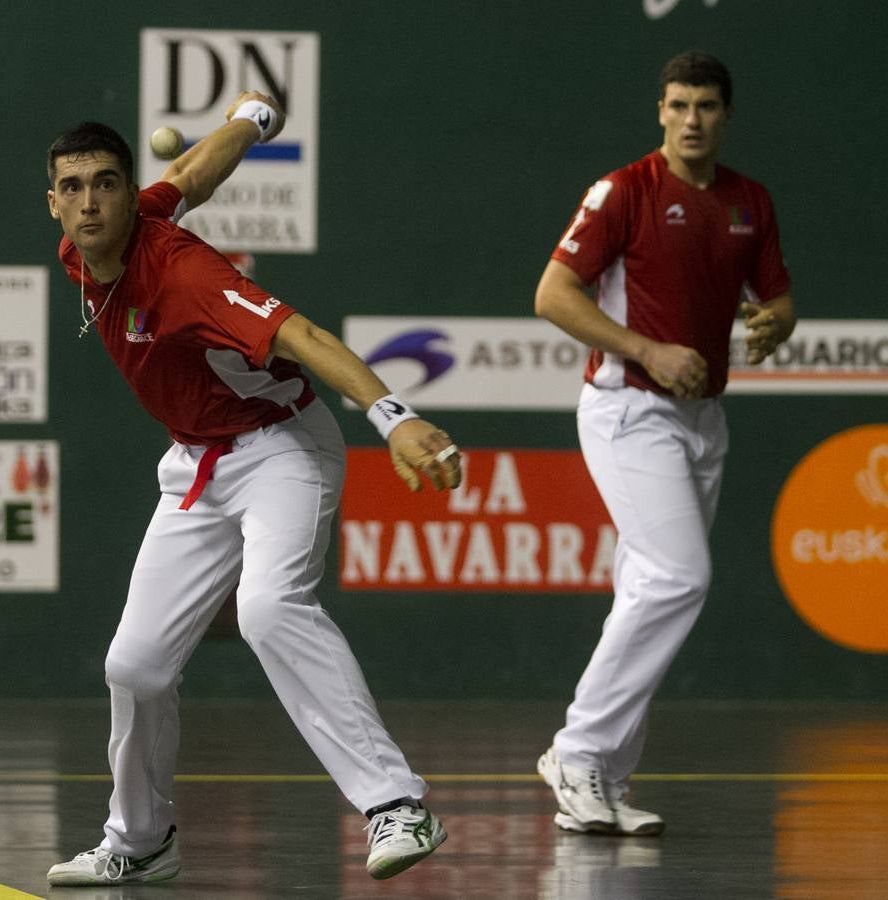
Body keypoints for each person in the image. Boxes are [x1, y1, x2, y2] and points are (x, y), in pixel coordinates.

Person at [44, 91, 460, 885]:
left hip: (281, 450)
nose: (90, 200)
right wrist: (252, 120)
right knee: (134, 666)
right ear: (54, 201)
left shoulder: (184, 273)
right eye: (73, 186)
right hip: (196, 464)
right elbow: (192, 174)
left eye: (105, 183)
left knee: (270, 607)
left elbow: (301, 336)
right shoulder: (86, 245)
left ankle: (395, 803)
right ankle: (140, 841)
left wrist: (394, 416)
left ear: (128, 195)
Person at [533, 52, 796, 835]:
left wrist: (773, 324)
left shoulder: (749, 202)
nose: (691, 119)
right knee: (678, 577)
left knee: (647, 587)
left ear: (724, 114)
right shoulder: (624, 192)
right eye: (678, 104)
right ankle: (576, 752)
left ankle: (602, 781)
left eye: (706, 106)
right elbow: (551, 293)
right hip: (626, 410)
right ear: (659, 111)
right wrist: (645, 349)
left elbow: (777, 302)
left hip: (702, 420)